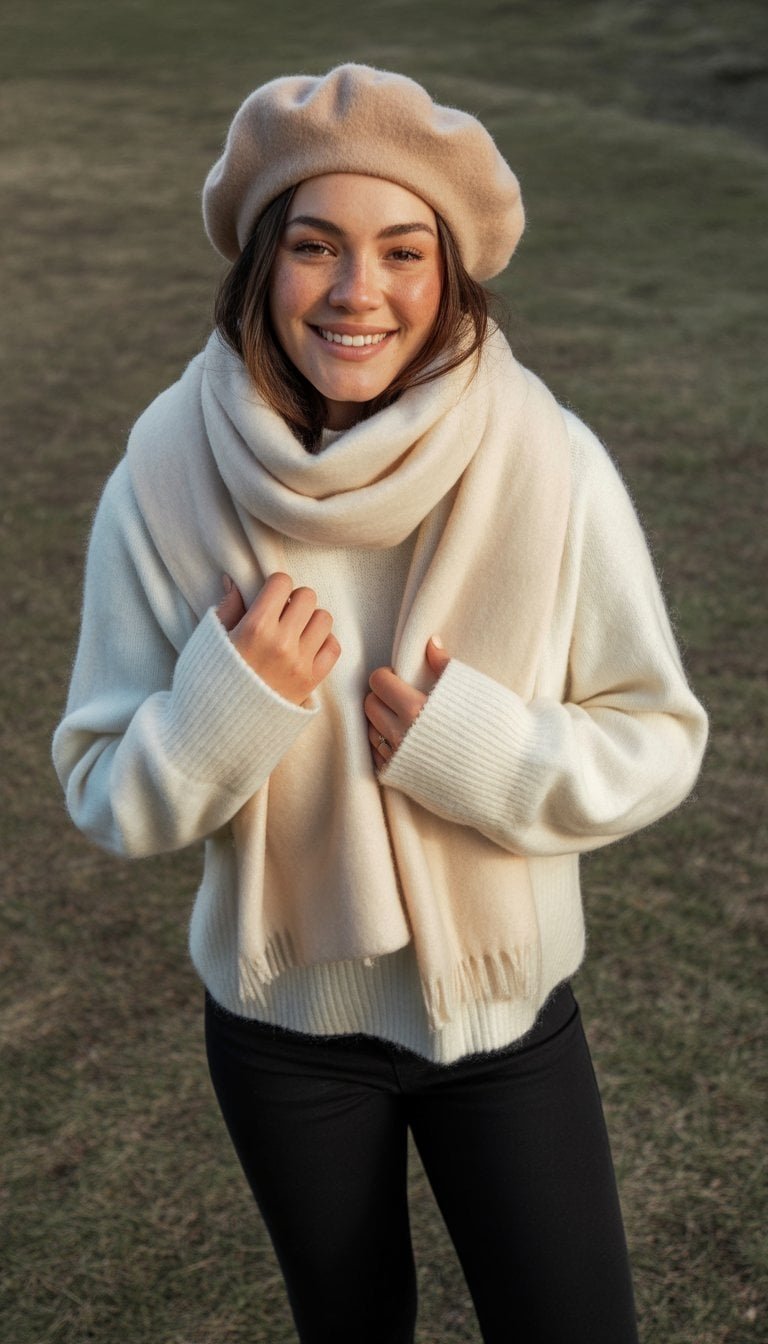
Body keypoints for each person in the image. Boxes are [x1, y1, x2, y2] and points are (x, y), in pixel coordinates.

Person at [53, 64, 708, 1344]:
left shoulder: (548, 457)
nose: (361, 294)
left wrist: (486, 752)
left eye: (404, 251)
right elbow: (103, 789)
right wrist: (226, 707)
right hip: (285, 1029)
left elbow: (660, 735)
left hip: (507, 1027)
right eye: (316, 247)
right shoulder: (164, 472)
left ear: (450, 275)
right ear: (261, 265)